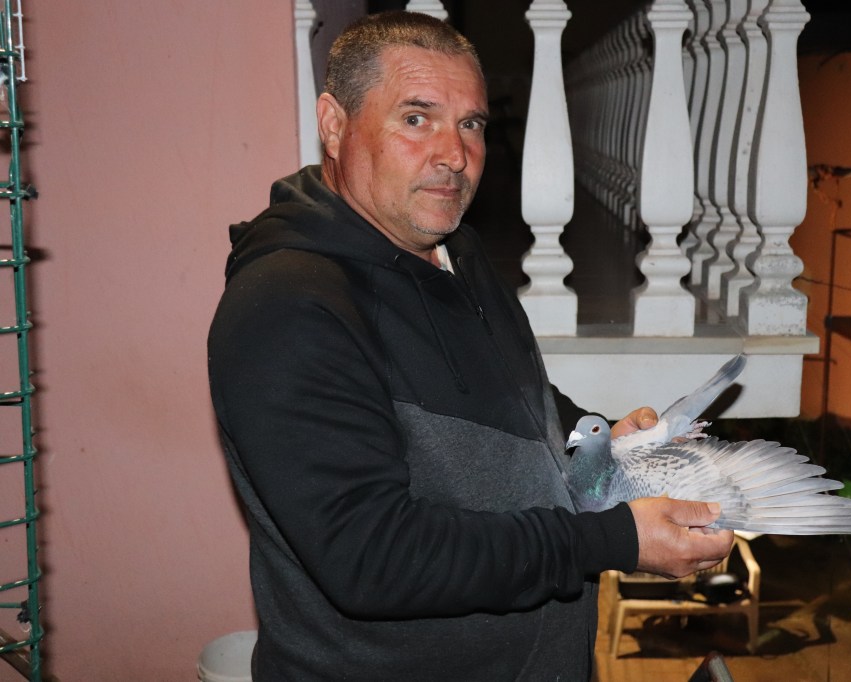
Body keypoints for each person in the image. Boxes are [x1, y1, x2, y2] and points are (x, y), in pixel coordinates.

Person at [207, 11, 733, 680]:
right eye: (416, 118)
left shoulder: (455, 249)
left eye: (472, 125)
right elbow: (373, 560)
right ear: (334, 124)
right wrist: (614, 540)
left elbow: (511, 393)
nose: (454, 155)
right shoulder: (287, 310)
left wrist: (593, 437)